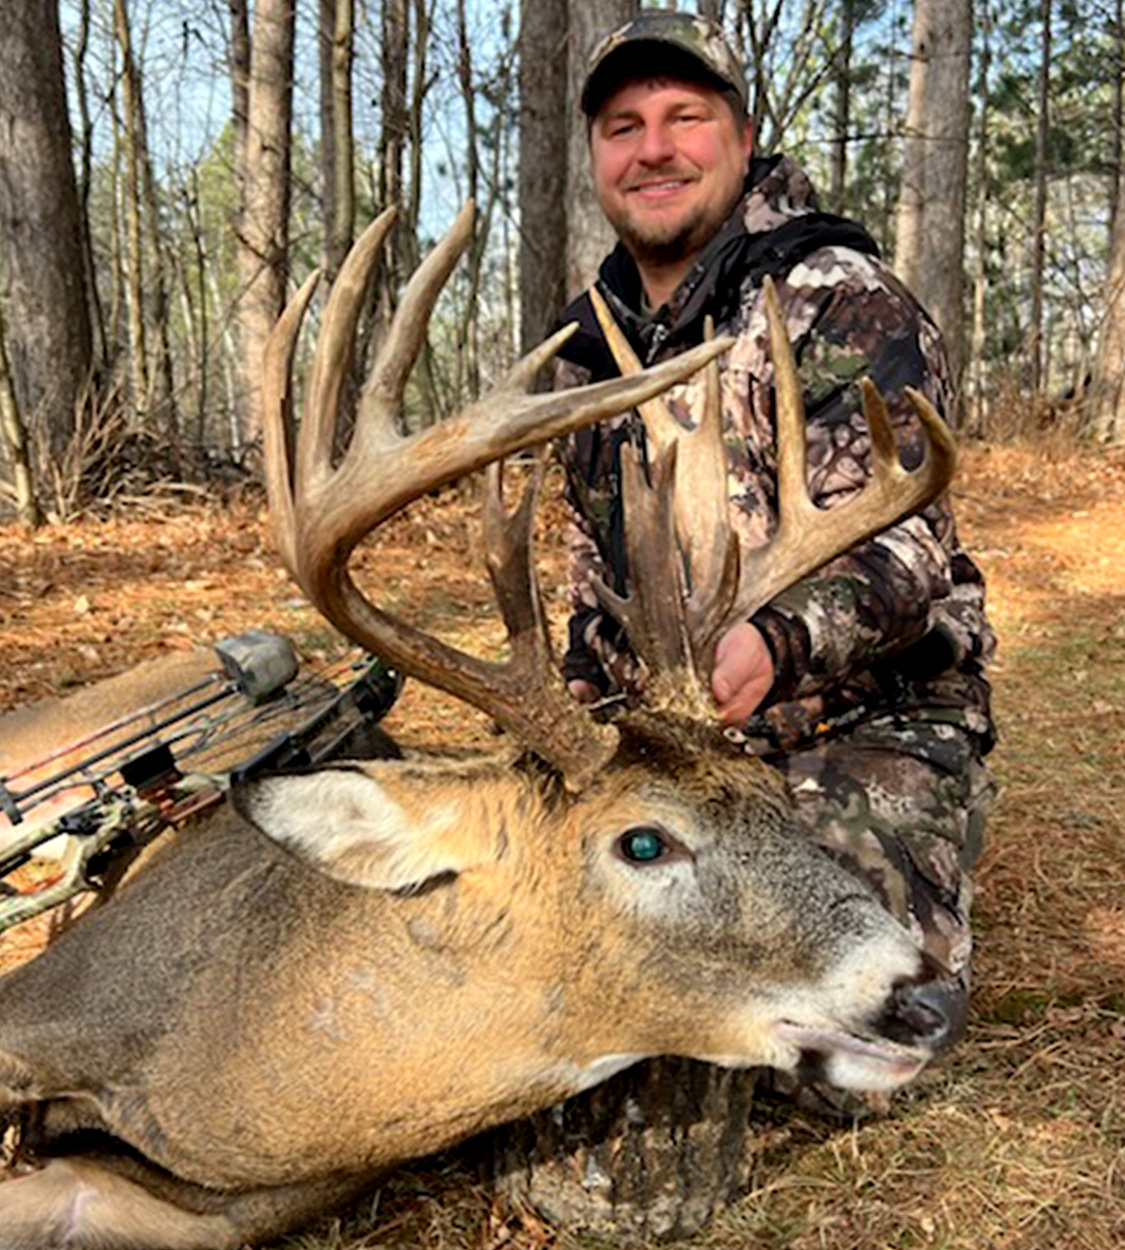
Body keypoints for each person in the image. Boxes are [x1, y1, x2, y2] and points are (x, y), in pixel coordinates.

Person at [554, 10, 996, 1110]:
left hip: (857, 724)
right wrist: (567, 704)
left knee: (841, 1043)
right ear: (600, 159)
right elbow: (579, 578)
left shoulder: (839, 299)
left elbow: (911, 545)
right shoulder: (580, 351)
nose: (652, 147)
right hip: (669, 749)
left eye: (684, 118)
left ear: (741, 142)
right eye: (623, 126)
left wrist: (780, 637)